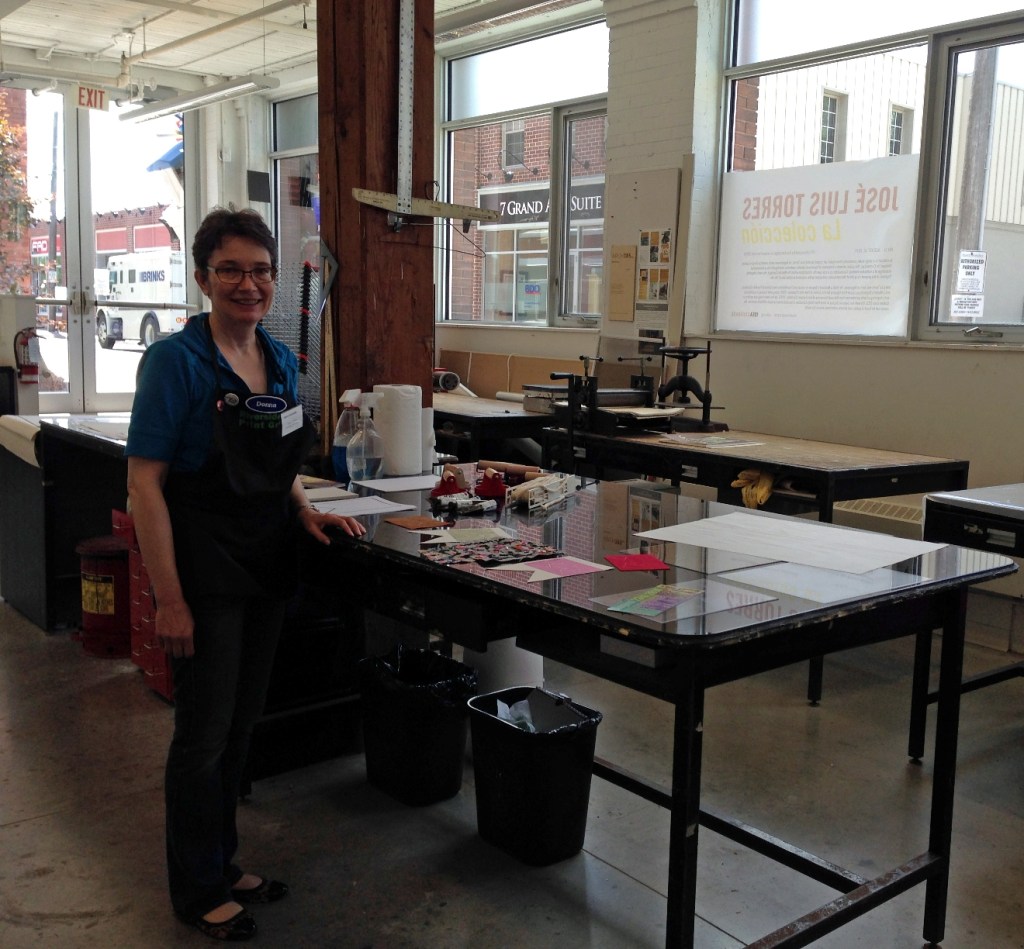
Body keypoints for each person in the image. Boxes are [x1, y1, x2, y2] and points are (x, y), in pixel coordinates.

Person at [125, 207, 365, 942]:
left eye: (260, 269)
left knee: (240, 726)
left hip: (266, 562)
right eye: (230, 269)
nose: (248, 283)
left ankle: (222, 862)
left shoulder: (283, 361)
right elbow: (144, 485)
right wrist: (169, 598)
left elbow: (281, 463)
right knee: (202, 734)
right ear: (203, 277)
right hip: (203, 569)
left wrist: (305, 512)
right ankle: (197, 889)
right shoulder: (176, 362)